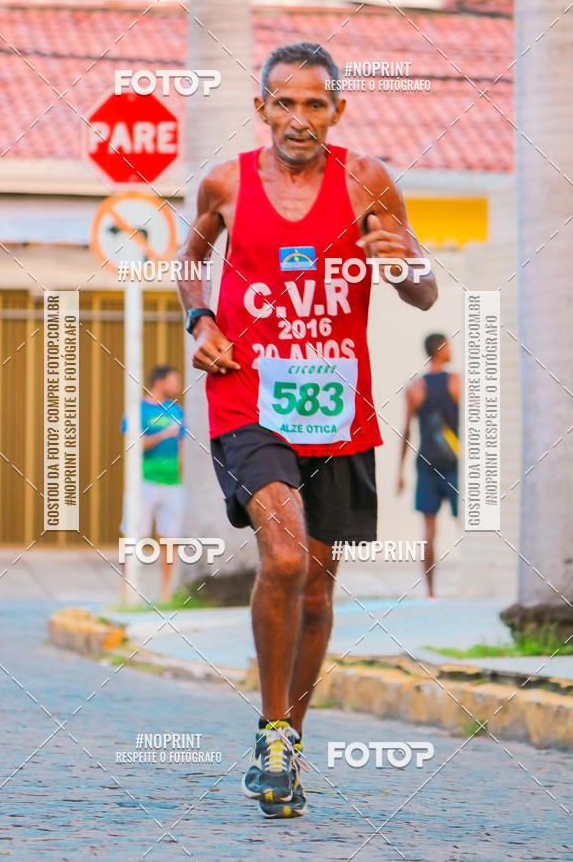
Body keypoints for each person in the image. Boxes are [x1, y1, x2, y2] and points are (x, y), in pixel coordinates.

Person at [177, 41, 437, 818]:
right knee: (284, 554)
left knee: (319, 593)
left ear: (337, 111)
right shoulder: (223, 183)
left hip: (336, 405)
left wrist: (402, 268)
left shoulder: (369, 181)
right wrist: (201, 317)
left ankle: (290, 743)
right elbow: (190, 260)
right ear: (261, 108)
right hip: (248, 397)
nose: (298, 118)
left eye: (314, 104)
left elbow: (421, 290)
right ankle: (269, 729)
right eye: (283, 103)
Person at [397, 334, 460, 598]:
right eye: (449, 344)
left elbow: (406, 432)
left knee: (429, 531)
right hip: (454, 464)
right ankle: (474, 583)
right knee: (466, 522)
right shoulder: (456, 382)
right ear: (440, 349)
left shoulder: (414, 387)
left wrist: (399, 472)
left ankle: (431, 592)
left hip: (426, 463)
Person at [121, 365, 185, 604]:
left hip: (172, 484)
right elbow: (135, 444)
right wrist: (163, 434)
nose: (178, 386)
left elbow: (181, 448)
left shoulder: (177, 411)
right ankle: (126, 593)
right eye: (174, 380)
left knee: (170, 539)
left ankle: (166, 594)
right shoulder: (138, 411)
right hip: (144, 483)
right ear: (160, 382)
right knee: (134, 537)